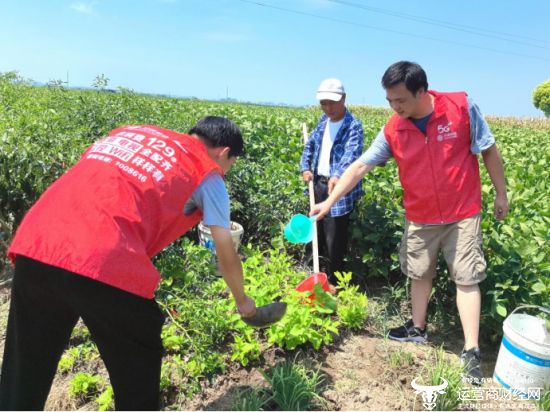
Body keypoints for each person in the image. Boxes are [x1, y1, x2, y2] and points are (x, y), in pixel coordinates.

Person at [0, 116, 257, 410]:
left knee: (26, 365)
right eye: (230, 164)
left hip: (37, 241)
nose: (226, 171)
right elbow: (225, 251)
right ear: (224, 153)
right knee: (139, 352)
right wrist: (243, 301)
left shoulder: (131, 134)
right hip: (101, 255)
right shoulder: (208, 174)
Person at [311, 61, 508, 383]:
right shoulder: (393, 128)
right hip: (420, 214)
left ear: (421, 91)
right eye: (390, 100)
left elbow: (487, 149)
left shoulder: (460, 107)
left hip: (462, 211)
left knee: (466, 276)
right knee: (419, 271)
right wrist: (329, 202)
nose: (394, 107)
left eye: (400, 100)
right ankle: (417, 329)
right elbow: (360, 166)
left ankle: (471, 350)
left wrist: (501, 194)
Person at [300, 78, 364, 283]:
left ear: (343, 99)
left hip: (339, 188)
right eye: (324, 103)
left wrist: (337, 174)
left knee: (334, 237)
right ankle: (313, 273)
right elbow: (309, 145)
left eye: (332, 102)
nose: (328, 108)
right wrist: (305, 167)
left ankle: (334, 281)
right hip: (318, 183)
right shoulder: (322, 122)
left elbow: (350, 155)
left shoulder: (353, 126)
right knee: (315, 229)